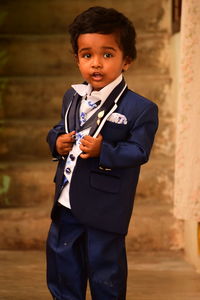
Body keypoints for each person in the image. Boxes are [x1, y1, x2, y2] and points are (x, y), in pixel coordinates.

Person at [46, 6, 158, 300]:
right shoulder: (72, 96)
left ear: (127, 60)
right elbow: (59, 127)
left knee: (104, 270)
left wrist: (103, 150)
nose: (96, 64)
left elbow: (139, 150)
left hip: (105, 208)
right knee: (62, 264)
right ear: (77, 59)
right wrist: (57, 141)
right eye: (87, 55)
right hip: (67, 200)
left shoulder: (140, 108)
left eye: (107, 55)